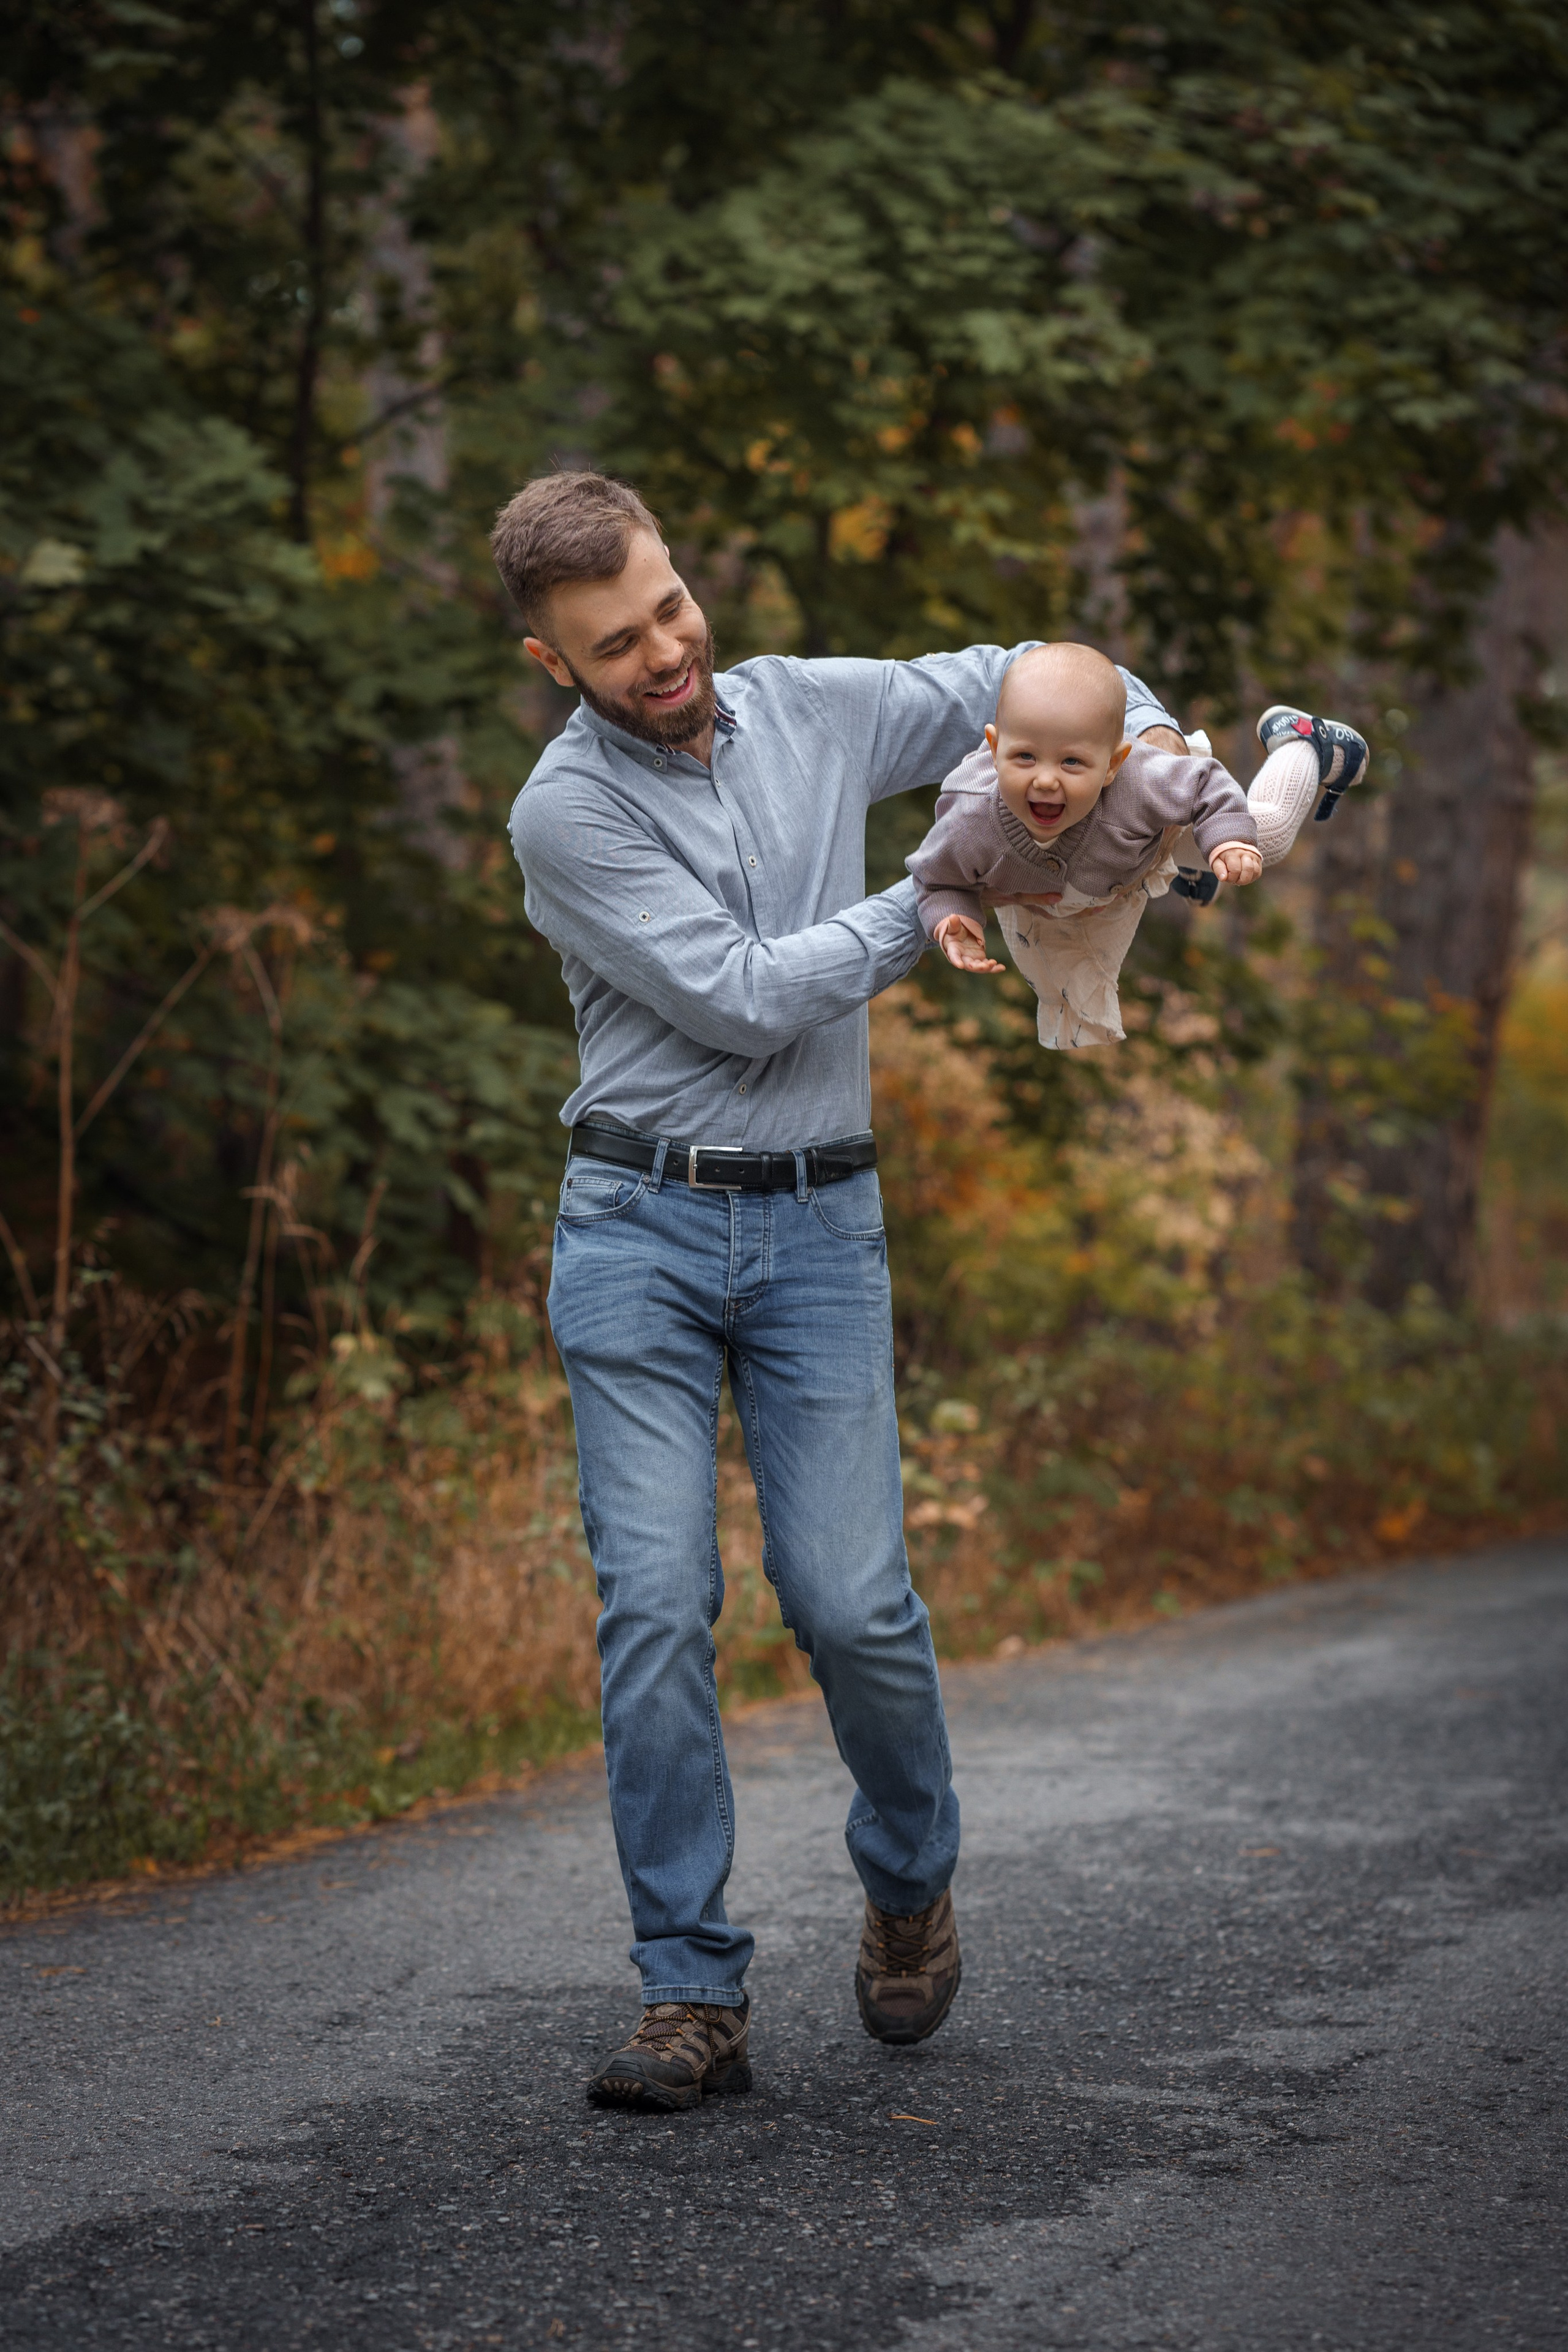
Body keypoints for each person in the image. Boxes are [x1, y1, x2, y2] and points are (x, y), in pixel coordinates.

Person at [492, 469, 1189, 2114]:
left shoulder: (815, 709)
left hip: (818, 1237)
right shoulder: (561, 812)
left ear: (679, 574)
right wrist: (950, 885)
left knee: (855, 1603)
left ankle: (908, 1883)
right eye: (616, 643)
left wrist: (1151, 751)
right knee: (658, 1607)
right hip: (637, 1236)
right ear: (554, 663)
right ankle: (690, 1994)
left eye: (667, 607)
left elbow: (1038, 672)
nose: (665, 651)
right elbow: (744, 1001)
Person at [909, 641, 1370, 1048]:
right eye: (1025, 756)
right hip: (1074, 891)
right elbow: (935, 878)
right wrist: (954, 918)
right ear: (994, 748)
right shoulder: (971, 819)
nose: (1045, 780)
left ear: (1113, 765)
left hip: (1147, 836)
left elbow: (1206, 783)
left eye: (1072, 762)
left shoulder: (1140, 781)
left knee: (1262, 838)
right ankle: (1194, 867)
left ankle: (1305, 744)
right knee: (1058, 977)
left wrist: (1228, 838)